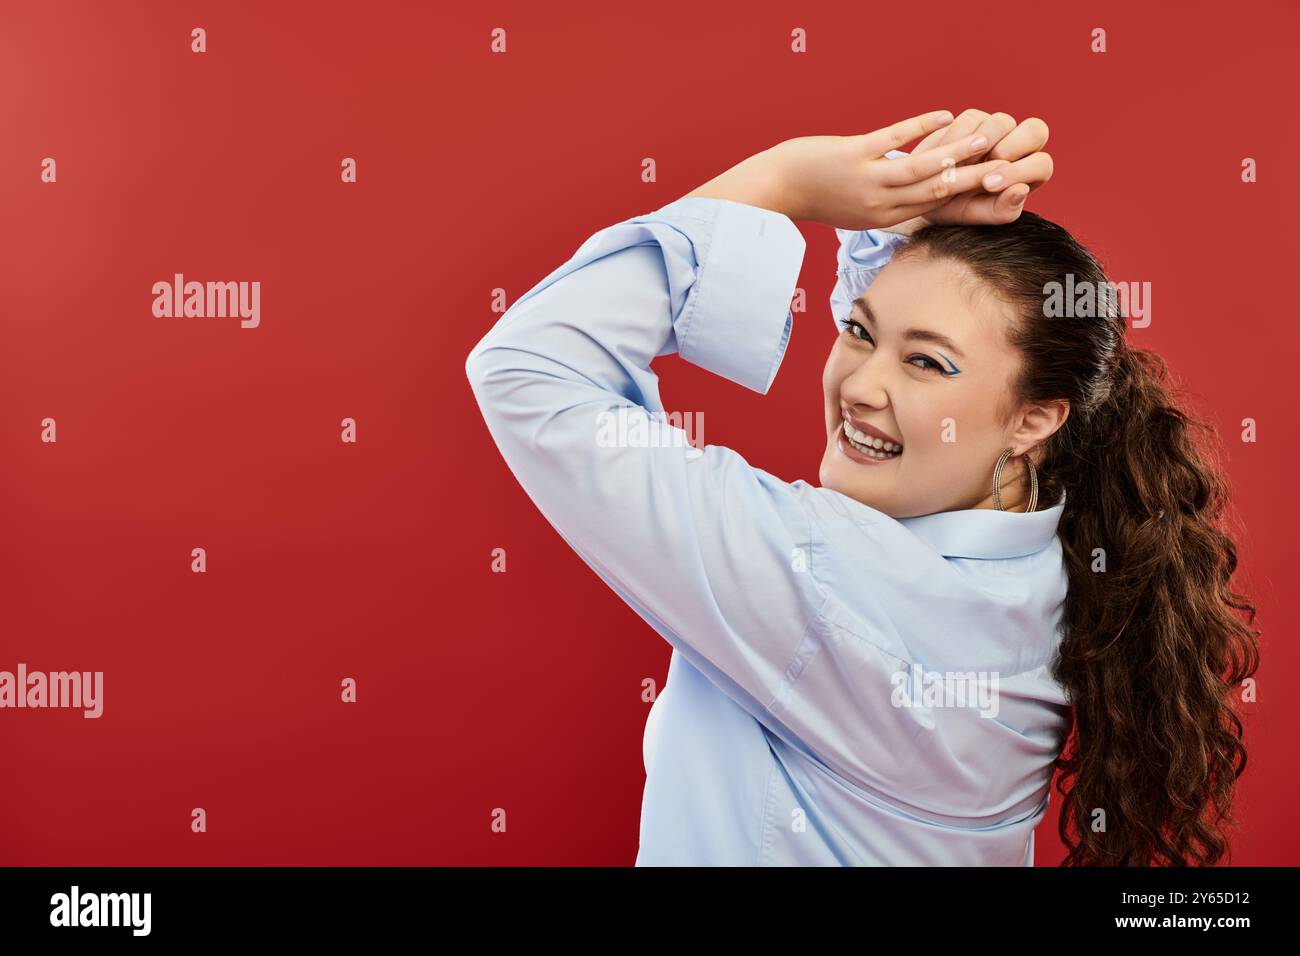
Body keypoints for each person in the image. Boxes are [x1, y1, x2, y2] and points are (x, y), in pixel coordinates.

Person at [465, 109, 1261, 866]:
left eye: (926, 363)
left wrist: (785, 182)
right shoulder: (1049, 573)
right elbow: (921, 334)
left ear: (1034, 418)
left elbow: (531, 370)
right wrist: (918, 204)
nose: (862, 386)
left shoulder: (828, 578)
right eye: (859, 333)